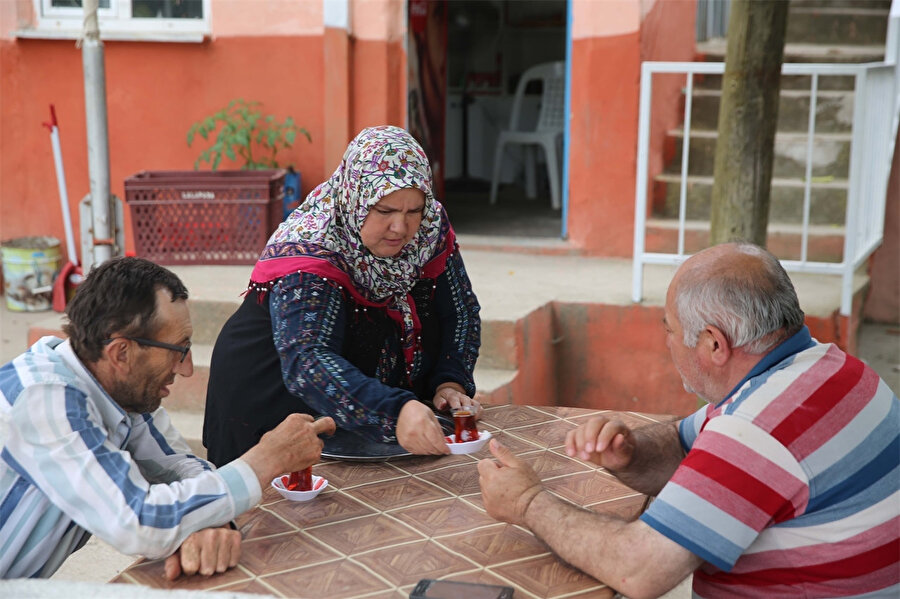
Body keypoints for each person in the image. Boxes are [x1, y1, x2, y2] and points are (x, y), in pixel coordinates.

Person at [478, 242, 899, 598]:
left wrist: (527, 502)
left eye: (671, 330)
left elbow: (638, 569)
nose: (667, 342)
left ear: (714, 343)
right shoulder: (833, 367)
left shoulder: (755, 428)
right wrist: (632, 453)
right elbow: (688, 444)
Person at [0, 257, 336, 580]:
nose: (186, 368)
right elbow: (138, 521)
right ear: (121, 352)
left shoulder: (113, 388)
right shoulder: (45, 398)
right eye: (179, 350)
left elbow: (179, 465)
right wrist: (266, 459)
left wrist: (210, 525)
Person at [203, 125, 481, 466]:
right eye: (384, 211)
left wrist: (450, 380)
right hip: (269, 397)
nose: (402, 228)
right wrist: (394, 411)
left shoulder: (429, 229)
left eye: (413, 211)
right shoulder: (313, 250)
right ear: (355, 199)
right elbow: (308, 362)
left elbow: (460, 310)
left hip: (360, 410)